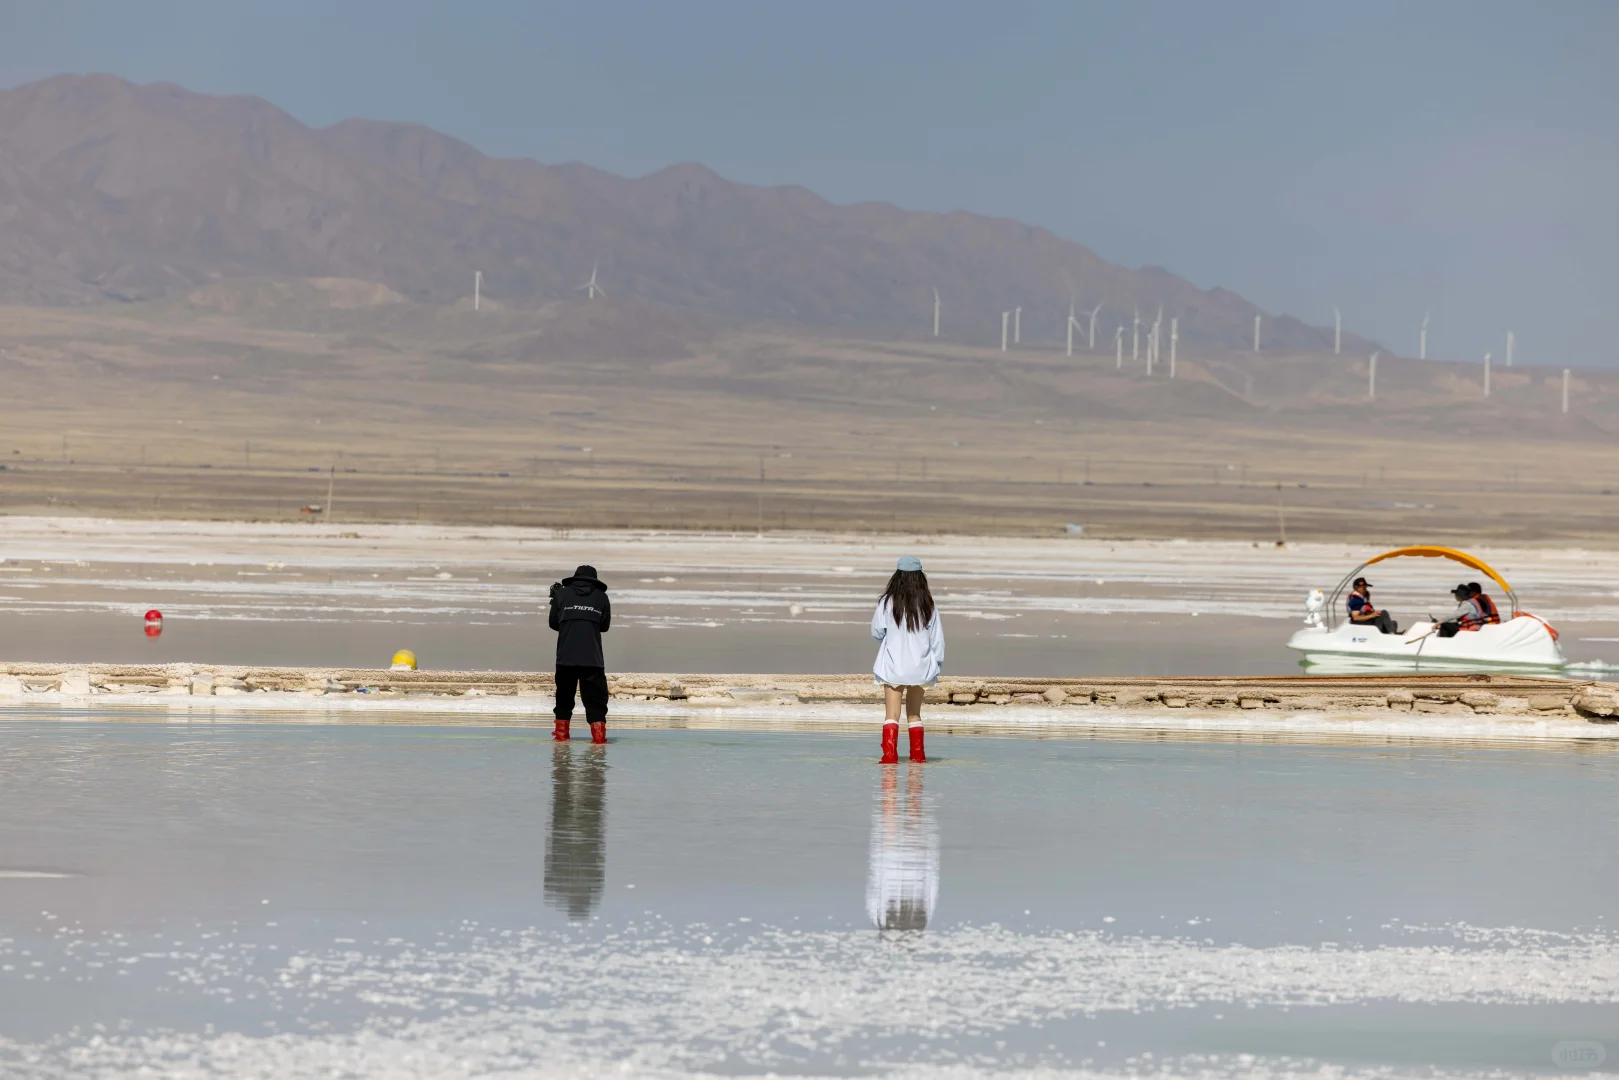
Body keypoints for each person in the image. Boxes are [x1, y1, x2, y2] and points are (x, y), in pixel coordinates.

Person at [870, 556, 945, 764]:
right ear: (920, 577)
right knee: (914, 715)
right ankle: (918, 759)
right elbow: (937, 640)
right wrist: (937, 665)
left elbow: (877, 632)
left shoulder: (886, 603)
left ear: (897, 577)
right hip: (920, 667)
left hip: (893, 666)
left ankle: (889, 758)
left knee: (891, 715)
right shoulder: (928, 604)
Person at [549, 564, 611, 743]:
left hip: (565, 658)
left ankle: (561, 738)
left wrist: (556, 602)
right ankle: (599, 740)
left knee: (564, 700)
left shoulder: (561, 595)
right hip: (592, 659)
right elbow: (604, 627)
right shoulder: (602, 597)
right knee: (596, 701)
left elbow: (554, 624)